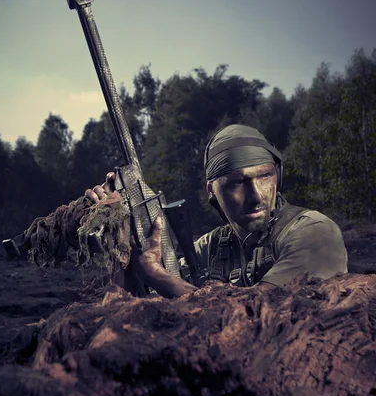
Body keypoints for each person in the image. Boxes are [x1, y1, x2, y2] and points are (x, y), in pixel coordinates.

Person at [86, 125, 348, 298]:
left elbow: (256, 318)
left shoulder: (315, 233)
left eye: (265, 177)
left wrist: (158, 275)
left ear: (278, 176)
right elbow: (143, 304)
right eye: (237, 182)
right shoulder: (210, 247)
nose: (256, 196)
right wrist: (117, 236)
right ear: (212, 190)